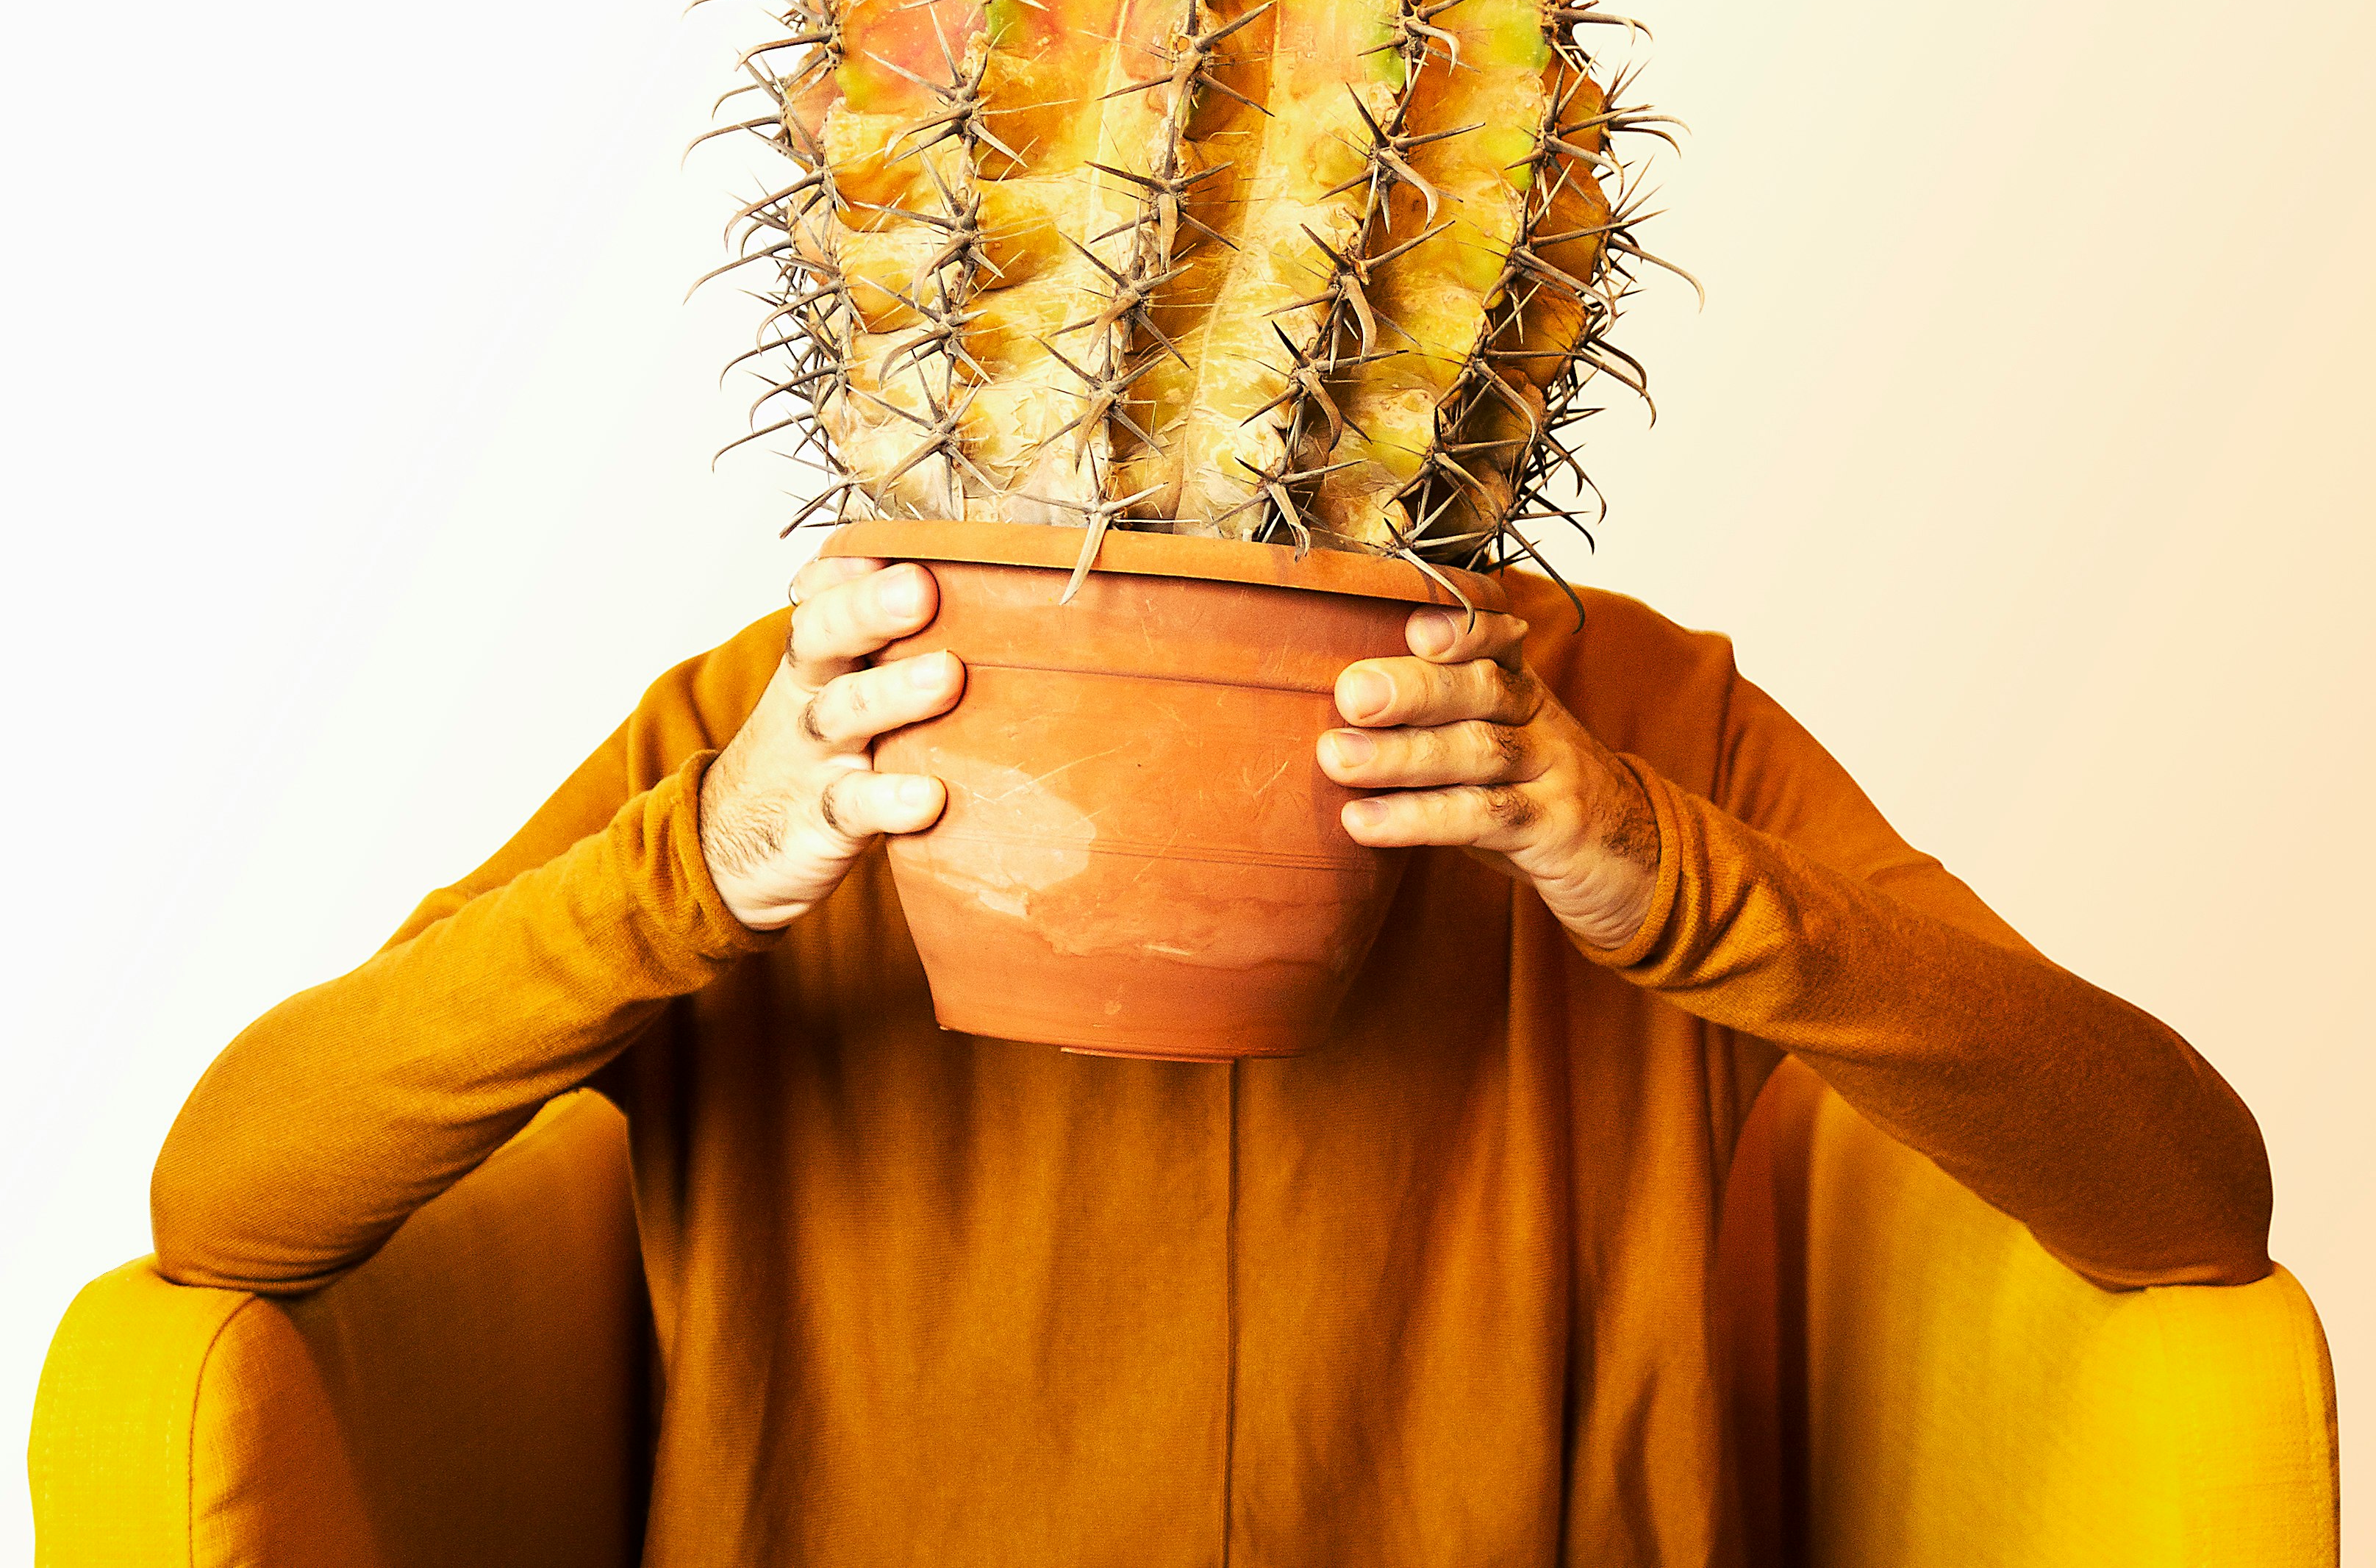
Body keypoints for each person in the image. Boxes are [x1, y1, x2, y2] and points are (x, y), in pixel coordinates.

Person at [151, 549, 2272, 1567]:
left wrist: (1657, 870)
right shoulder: (803, 716)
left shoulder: (1623, 718)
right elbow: (230, 1199)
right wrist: (692, 870)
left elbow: (2186, 1198)